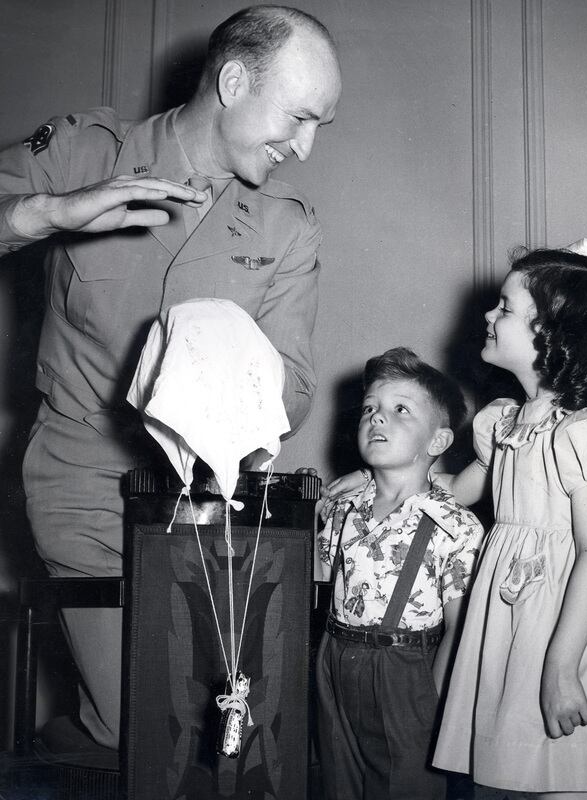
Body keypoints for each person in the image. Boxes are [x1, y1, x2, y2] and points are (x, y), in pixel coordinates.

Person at [0, 5, 341, 750]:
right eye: (299, 118)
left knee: (222, 729)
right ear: (232, 80)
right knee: (155, 726)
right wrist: (47, 213)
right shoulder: (90, 151)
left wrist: (226, 371)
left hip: (211, 503)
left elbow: (293, 385)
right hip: (83, 480)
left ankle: (78, 748)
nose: (306, 147)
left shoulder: (287, 226)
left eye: (321, 126)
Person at [325, 245, 587, 797]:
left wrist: (563, 665)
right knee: (528, 765)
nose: (487, 315)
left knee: (571, 771)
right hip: (513, 606)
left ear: (555, 333)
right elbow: (452, 488)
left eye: (504, 307)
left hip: (569, 614)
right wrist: (378, 476)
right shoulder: (502, 422)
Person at [315, 346, 484, 800]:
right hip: (335, 658)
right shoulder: (341, 508)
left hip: (406, 672)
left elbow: (459, 628)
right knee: (337, 781)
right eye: (369, 408)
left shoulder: (456, 526)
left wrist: (431, 698)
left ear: (439, 442)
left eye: (400, 409)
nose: (377, 418)